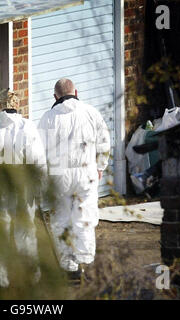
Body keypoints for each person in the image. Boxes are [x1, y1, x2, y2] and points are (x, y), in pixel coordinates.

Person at [38, 78, 110, 279]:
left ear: (55, 96)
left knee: (62, 220)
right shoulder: (91, 112)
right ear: (76, 92)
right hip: (86, 174)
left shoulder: (47, 118)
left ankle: (69, 269)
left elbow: (39, 152)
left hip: (59, 177)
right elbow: (104, 142)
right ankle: (86, 265)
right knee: (84, 219)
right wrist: (100, 166)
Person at [0, 88, 46, 287]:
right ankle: (30, 275)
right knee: (25, 231)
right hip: (23, 186)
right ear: (17, 105)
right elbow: (38, 160)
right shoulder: (28, 127)